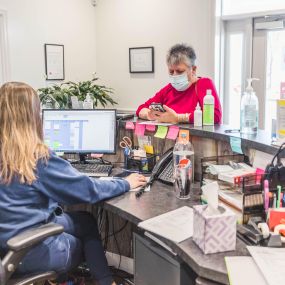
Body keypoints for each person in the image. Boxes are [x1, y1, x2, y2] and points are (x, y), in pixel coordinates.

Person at [0, 82, 147, 285]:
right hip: (28, 252)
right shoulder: (36, 157)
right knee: (83, 242)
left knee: (85, 220)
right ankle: (101, 281)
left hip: (6, 246)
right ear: (32, 116)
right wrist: (125, 183)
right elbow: (88, 190)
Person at [136, 43, 222, 124]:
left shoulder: (204, 84)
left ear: (194, 69)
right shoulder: (168, 89)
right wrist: (149, 115)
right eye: (171, 71)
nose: (174, 75)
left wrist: (178, 118)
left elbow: (215, 116)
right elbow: (141, 108)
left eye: (180, 71)